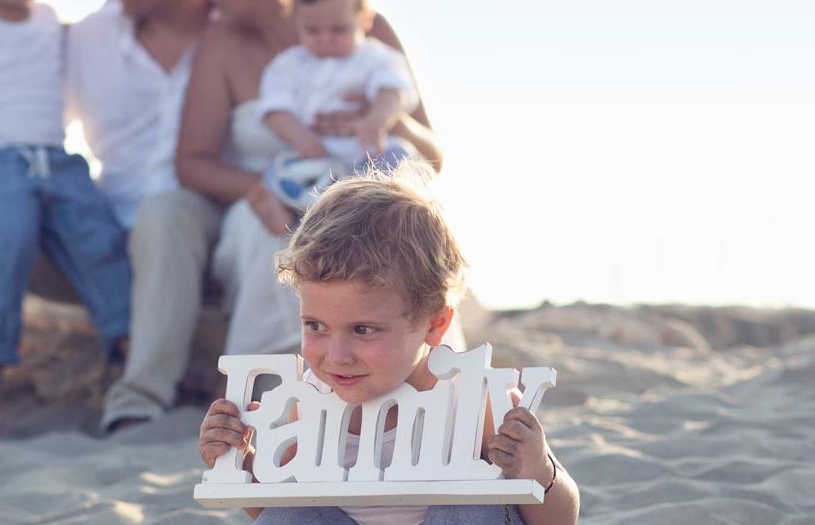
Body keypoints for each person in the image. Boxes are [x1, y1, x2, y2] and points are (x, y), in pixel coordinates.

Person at [0, 0, 210, 446]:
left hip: (95, 186)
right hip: (26, 178)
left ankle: (141, 368)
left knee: (114, 240)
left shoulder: (57, 25)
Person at [196, 169, 580, 524]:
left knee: (471, 506)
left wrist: (538, 471)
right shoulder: (311, 400)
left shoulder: (475, 402)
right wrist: (240, 465)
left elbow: (560, 519)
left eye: (363, 329)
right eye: (316, 326)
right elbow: (280, 508)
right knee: (288, 514)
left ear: (435, 324)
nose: (336, 354)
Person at [165, 0, 449, 364]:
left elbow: (428, 154)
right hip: (289, 182)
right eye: (314, 31)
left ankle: (399, 365)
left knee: (396, 217)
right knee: (278, 228)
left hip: (365, 176)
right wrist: (277, 173)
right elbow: (194, 161)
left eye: (338, 31)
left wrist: (381, 121)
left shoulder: (372, 43)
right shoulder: (265, 59)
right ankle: (264, 376)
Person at [257, 0, 416, 209]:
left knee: (403, 156)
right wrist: (298, 135)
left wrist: (376, 121)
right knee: (278, 172)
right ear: (296, 23)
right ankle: (307, 217)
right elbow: (275, 107)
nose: (325, 39)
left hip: (366, 153)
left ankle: (371, 213)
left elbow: (393, 91)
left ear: (364, 21)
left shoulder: (376, 57)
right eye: (312, 31)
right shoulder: (288, 64)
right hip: (315, 155)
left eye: (339, 30)